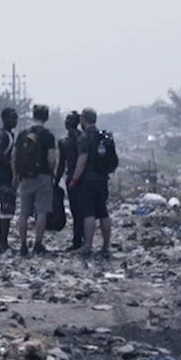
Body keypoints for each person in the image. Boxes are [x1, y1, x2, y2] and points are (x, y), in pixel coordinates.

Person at [13, 104, 60, 255]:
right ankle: (38, 244)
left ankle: (23, 245)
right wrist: (52, 173)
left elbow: (14, 156)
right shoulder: (48, 135)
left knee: (24, 212)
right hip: (43, 176)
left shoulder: (23, 133)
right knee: (42, 211)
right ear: (46, 117)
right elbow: (52, 159)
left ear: (33, 115)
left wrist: (16, 175)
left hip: (25, 177)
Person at [68, 107, 114, 258]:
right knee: (103, 212)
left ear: (84, 120)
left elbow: (82, 160)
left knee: (89, 214)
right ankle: (106, 246)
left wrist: (74, 179)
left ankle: (88, 245)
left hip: (87, 180)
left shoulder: (84, 137)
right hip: (102, 179)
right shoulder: (104, 136)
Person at [0, 107, 19, 255]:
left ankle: (4, 243)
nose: (15, 120)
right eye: (12, 118)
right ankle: (3, 244)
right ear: (5, 119)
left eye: (16, 118)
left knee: (8, 210)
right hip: (5, 179)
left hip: (6, 179)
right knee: (6, 211)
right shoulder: (4, 136)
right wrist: (11, 165)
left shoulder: (9, 135)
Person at [58, 111, 85, 250]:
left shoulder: (70, 140)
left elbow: (62, 164)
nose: (67, 122)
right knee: (79, 210)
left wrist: (56, 180)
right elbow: (61, 163)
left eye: (70, 119)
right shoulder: (80, 138)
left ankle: (79, 240)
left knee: (79, 210)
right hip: (78, 178)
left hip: (77, 178)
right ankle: (80, 240)